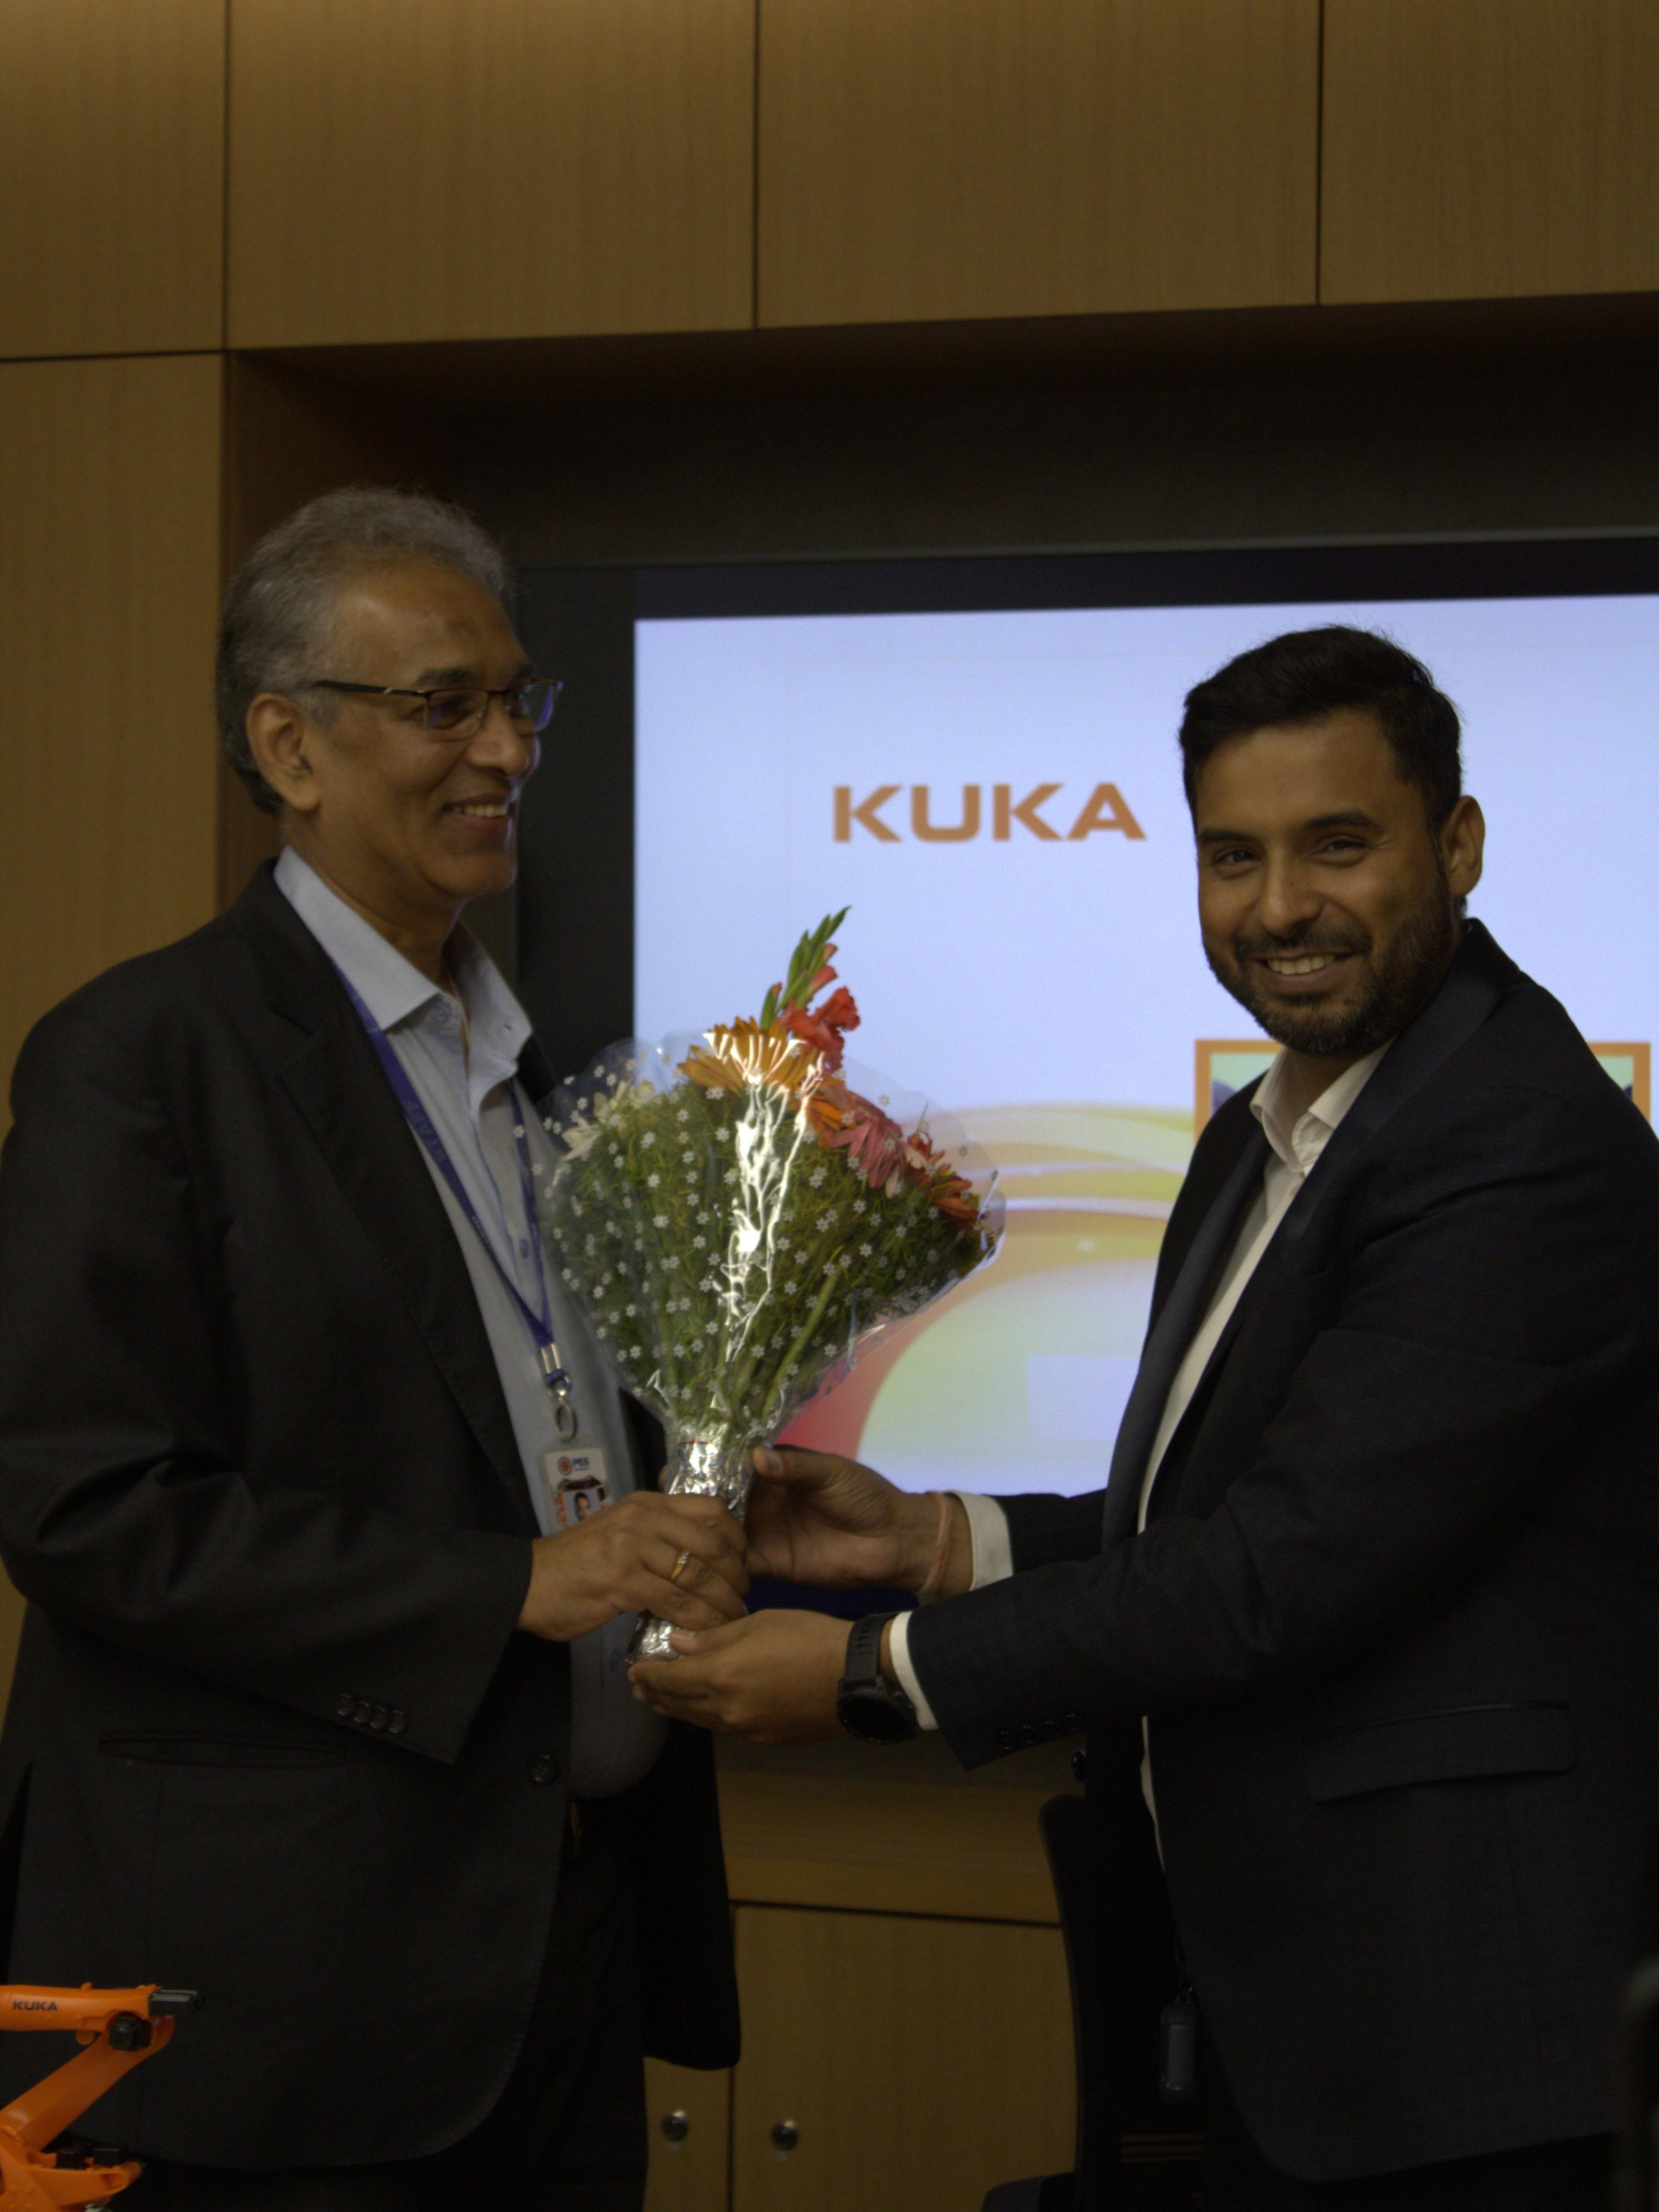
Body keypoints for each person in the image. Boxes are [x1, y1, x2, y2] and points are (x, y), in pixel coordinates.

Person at [633, 626, 1659, 2208]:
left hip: (1463, 2040)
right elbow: (1223, 1519)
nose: (1278, 906)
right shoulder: (1266, 1130)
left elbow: (1277, 1574)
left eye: (1337, 844)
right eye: (1231, 855)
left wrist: (870, 1674)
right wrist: (936, 1542)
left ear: (1455, 844)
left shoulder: (1517, 1141)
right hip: (1301, 2008)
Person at [0, 488, 747, 2210]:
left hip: (561, 1937)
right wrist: (514, 1584)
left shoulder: (527, 1060)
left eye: (519, 702)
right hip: (293, 1988)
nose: (507, 751)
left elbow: (523, 1408)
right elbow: (82, 1506)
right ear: (290, 747)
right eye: (442, 706)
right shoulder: (141, 1057)